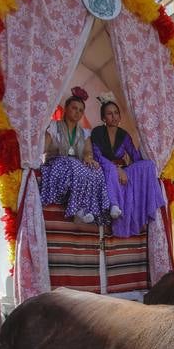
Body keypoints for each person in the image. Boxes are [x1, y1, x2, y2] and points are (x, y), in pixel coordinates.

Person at [90, 94, 165, 238]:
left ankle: (152, 203)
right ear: (103, 118)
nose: (114, 116)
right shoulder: (97, 132)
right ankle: (114, 205)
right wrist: (117, 169)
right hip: (104, 168)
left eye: (116, 113)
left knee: (148, 165)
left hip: (122, 169)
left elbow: (135, 156)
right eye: (109, 114)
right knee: (111, 168)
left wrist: (135, 172)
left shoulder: (124, 135)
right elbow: (98, 156)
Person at [40, 87, 110, 224]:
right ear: (66, 109)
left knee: (96, 170)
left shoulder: (84, 133)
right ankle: (78, 208)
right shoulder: (53, 126)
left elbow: (88, 152)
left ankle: (91, 210)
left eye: (80, 110)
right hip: (56, 163)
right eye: (74, 108)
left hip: (75, 165)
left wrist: (89, 159)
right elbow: (44, 147)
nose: (77, 112)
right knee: (73, 164)